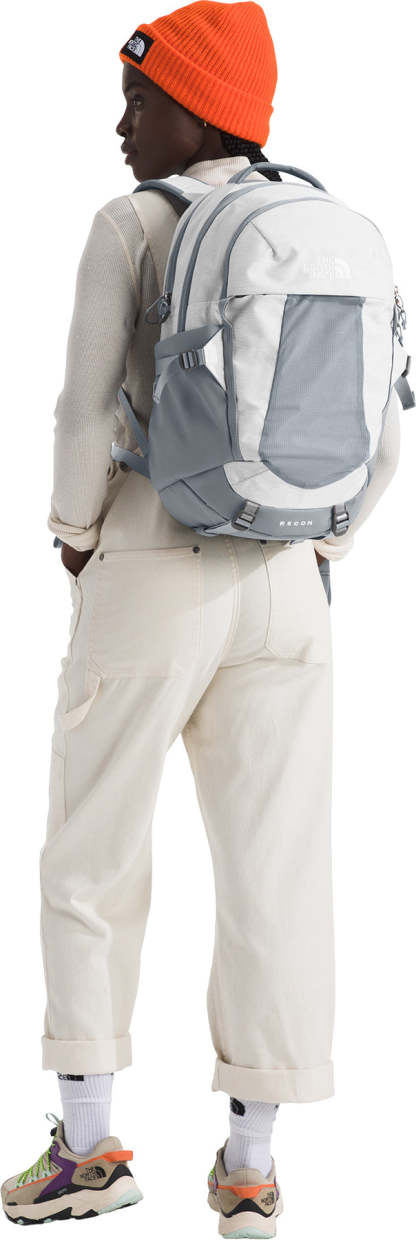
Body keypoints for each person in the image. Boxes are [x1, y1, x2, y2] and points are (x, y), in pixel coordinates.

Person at [1, 1, 400, 1230]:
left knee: (93, 856)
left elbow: (82, 410)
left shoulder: (131, 225)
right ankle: (249, 1167)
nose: (121, 125)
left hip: (148, 562)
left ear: (203, 108)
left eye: (142, 99)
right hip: (289, 587)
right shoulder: (334, 227)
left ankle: (89, 1151)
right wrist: (324, 543)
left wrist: (75, 535)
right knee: (277, 870)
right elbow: (385, 423)